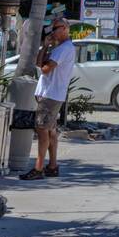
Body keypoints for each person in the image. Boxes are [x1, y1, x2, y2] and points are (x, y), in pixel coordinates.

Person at [20, 17, 76, 180]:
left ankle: (38, 168)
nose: (53, 32)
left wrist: (47, 53)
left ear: (65, 28)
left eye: (56, 28)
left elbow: (45, 69)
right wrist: (45, 46)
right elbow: (39, 63)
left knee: (42, 130)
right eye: (52, 29)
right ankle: (52, 166)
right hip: (51, 94)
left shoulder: (64, 48)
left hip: (50, 95)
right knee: (50, 131)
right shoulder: (60, 48)